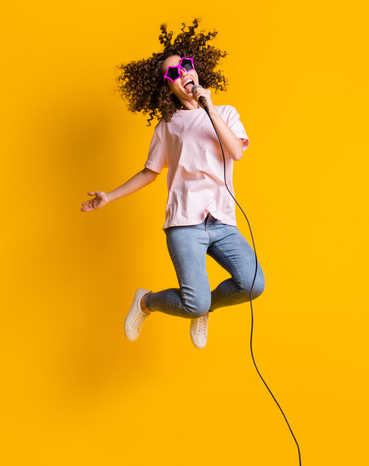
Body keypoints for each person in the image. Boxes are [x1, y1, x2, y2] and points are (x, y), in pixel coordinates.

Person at [80, 19, 265, 349]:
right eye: (172, 75)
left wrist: (208, 109)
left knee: (252, 284)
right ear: (167, 88)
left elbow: (236, 151)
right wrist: (109, 196)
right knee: (194, 302)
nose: (182, 76)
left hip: (222, 221)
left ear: (196, 69)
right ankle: (146, 302)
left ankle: (204, 307)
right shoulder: (169, 126)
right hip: (184, 225)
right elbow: (149, 172)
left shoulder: (225, 112)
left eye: (185, 67)